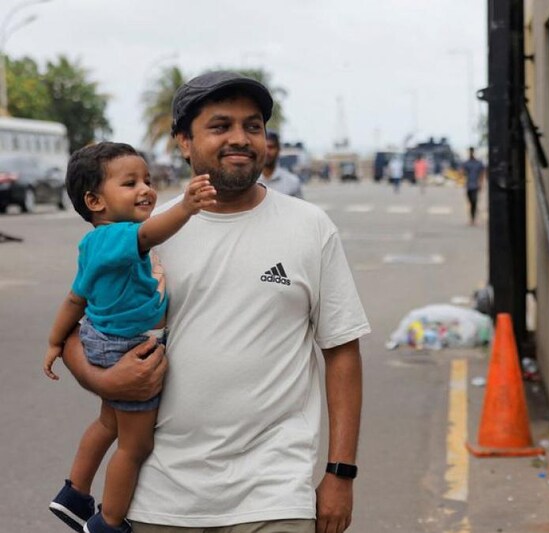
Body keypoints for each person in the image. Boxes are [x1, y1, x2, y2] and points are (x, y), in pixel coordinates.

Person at [61, 71, 370, 533]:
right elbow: (74, 330)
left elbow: (342, 349)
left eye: (253, 126)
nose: (240, 139)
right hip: (159, 494)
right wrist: (103, 378)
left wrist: (340, 472)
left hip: (274, 493)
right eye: (220, 126)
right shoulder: (143, 232)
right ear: (184, 142)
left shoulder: (309, 226)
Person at [44, 142, 217, 533]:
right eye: (130, 183)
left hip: (102, 338)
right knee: (135, 446)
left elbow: (75, 298)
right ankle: (107, 522)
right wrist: (187, 206)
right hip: (128, 346)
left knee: (108, 424)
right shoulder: (119, 237)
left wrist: (56, 341)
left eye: (147, 180)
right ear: (95, 201)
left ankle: (74, 494)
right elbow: (152, 232)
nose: (146, 189)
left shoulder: (94, 243)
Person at [257, 131, 303, 199]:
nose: (267, 151)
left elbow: (300, 208)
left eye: (271, 147)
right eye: (264, 147)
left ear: (278, 150)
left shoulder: (292, 182)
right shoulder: (249, 181)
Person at [461, 147, 486, 225]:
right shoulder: (466, 163)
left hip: (475, 185)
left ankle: (473, 219)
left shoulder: (478, 163)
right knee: (471, 202)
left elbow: (482, 173)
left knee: (474, 201)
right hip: (469, 185)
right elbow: (462, 173)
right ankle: (472, 218)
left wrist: (481, 183)